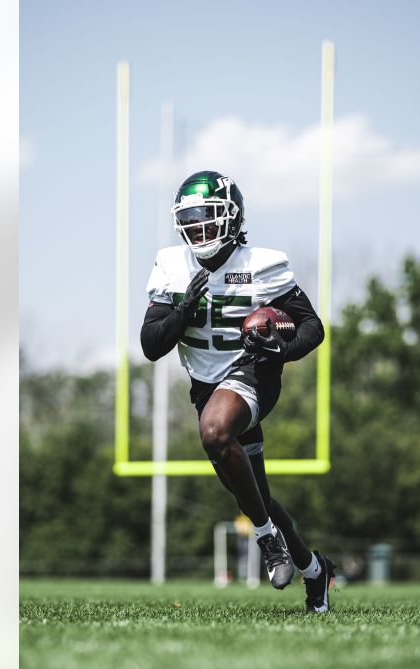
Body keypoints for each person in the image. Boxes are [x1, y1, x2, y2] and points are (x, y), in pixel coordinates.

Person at [140, 171, 335, 613]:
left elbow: (313, 327)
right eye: (189, 221)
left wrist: (280, 348)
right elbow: (152, 345)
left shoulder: (261, 264)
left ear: (231, 218)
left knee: (214, 431)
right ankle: (315, 571)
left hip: (253, 373)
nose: (197, 231)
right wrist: (182, 311)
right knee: (256, 495)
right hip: (206, 384)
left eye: (207, 219)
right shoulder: (172, 265)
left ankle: (267, 540)